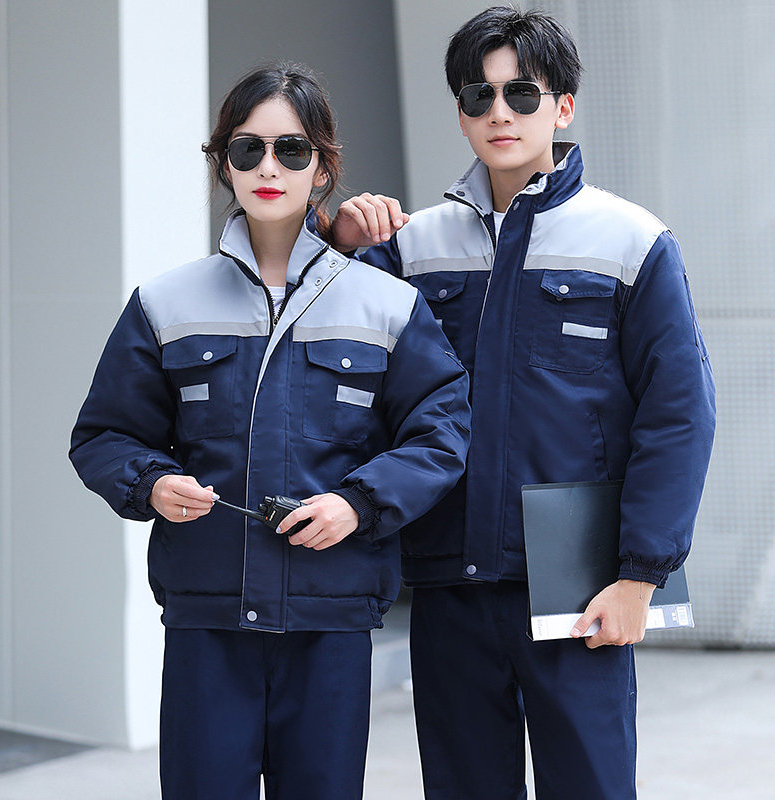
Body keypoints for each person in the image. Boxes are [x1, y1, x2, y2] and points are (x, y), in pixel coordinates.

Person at [331, 7, 716, 799]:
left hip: (578, 582)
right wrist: (339, 245)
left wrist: (640, 577)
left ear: (563, 107)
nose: (499, 112)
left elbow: (679, 414)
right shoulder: (411, 245)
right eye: (479, 96)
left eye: (522, 93)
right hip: (450, 574)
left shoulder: (631, 240)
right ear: (461, 113)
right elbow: (334, 368)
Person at [69, 62, 470, 800]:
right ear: (225, 162)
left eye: (291, 149)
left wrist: (358, 503)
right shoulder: (165, 303)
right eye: (248, 148)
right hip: (207, 620)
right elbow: (104, 435)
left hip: (331, 618)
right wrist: (151, 483)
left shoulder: (387, 304)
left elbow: (441, 435)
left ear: (323, 167)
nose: (268, 167)